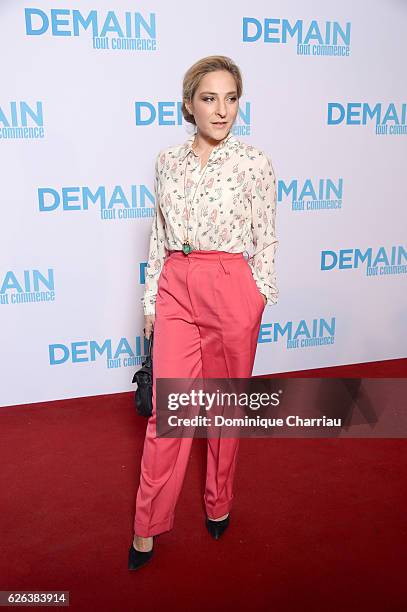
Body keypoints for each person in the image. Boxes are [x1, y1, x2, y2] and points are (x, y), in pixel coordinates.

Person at [129, 55, 279, 570]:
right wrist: (151, 300)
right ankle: (146, 526)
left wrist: (257, 293)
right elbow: (156, 236)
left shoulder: (254, 162)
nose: (222, 110)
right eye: (210, 98)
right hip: (176, 282)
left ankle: (219, 502)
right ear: (189, 104)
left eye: (231, 98)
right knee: (169, 416)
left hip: (231, 286)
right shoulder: (166, 162)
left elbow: (266, 236)